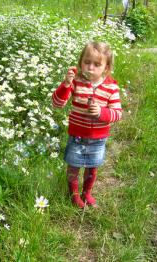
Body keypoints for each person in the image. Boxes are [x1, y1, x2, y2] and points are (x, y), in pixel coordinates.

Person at [52, 41, 122, 208]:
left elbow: (117, 113)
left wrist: (101, 112)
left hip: (98, 139)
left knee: (92, 167)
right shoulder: (76, 82)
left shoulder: (111, 87)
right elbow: (58, 103)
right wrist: (66, 84)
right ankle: (74, 195)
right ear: (80, 62)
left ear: (106, 68)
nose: (90, 68)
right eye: (87, 62)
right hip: (77, 136)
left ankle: (87, 193)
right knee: (73, 166)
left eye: (97, 64)